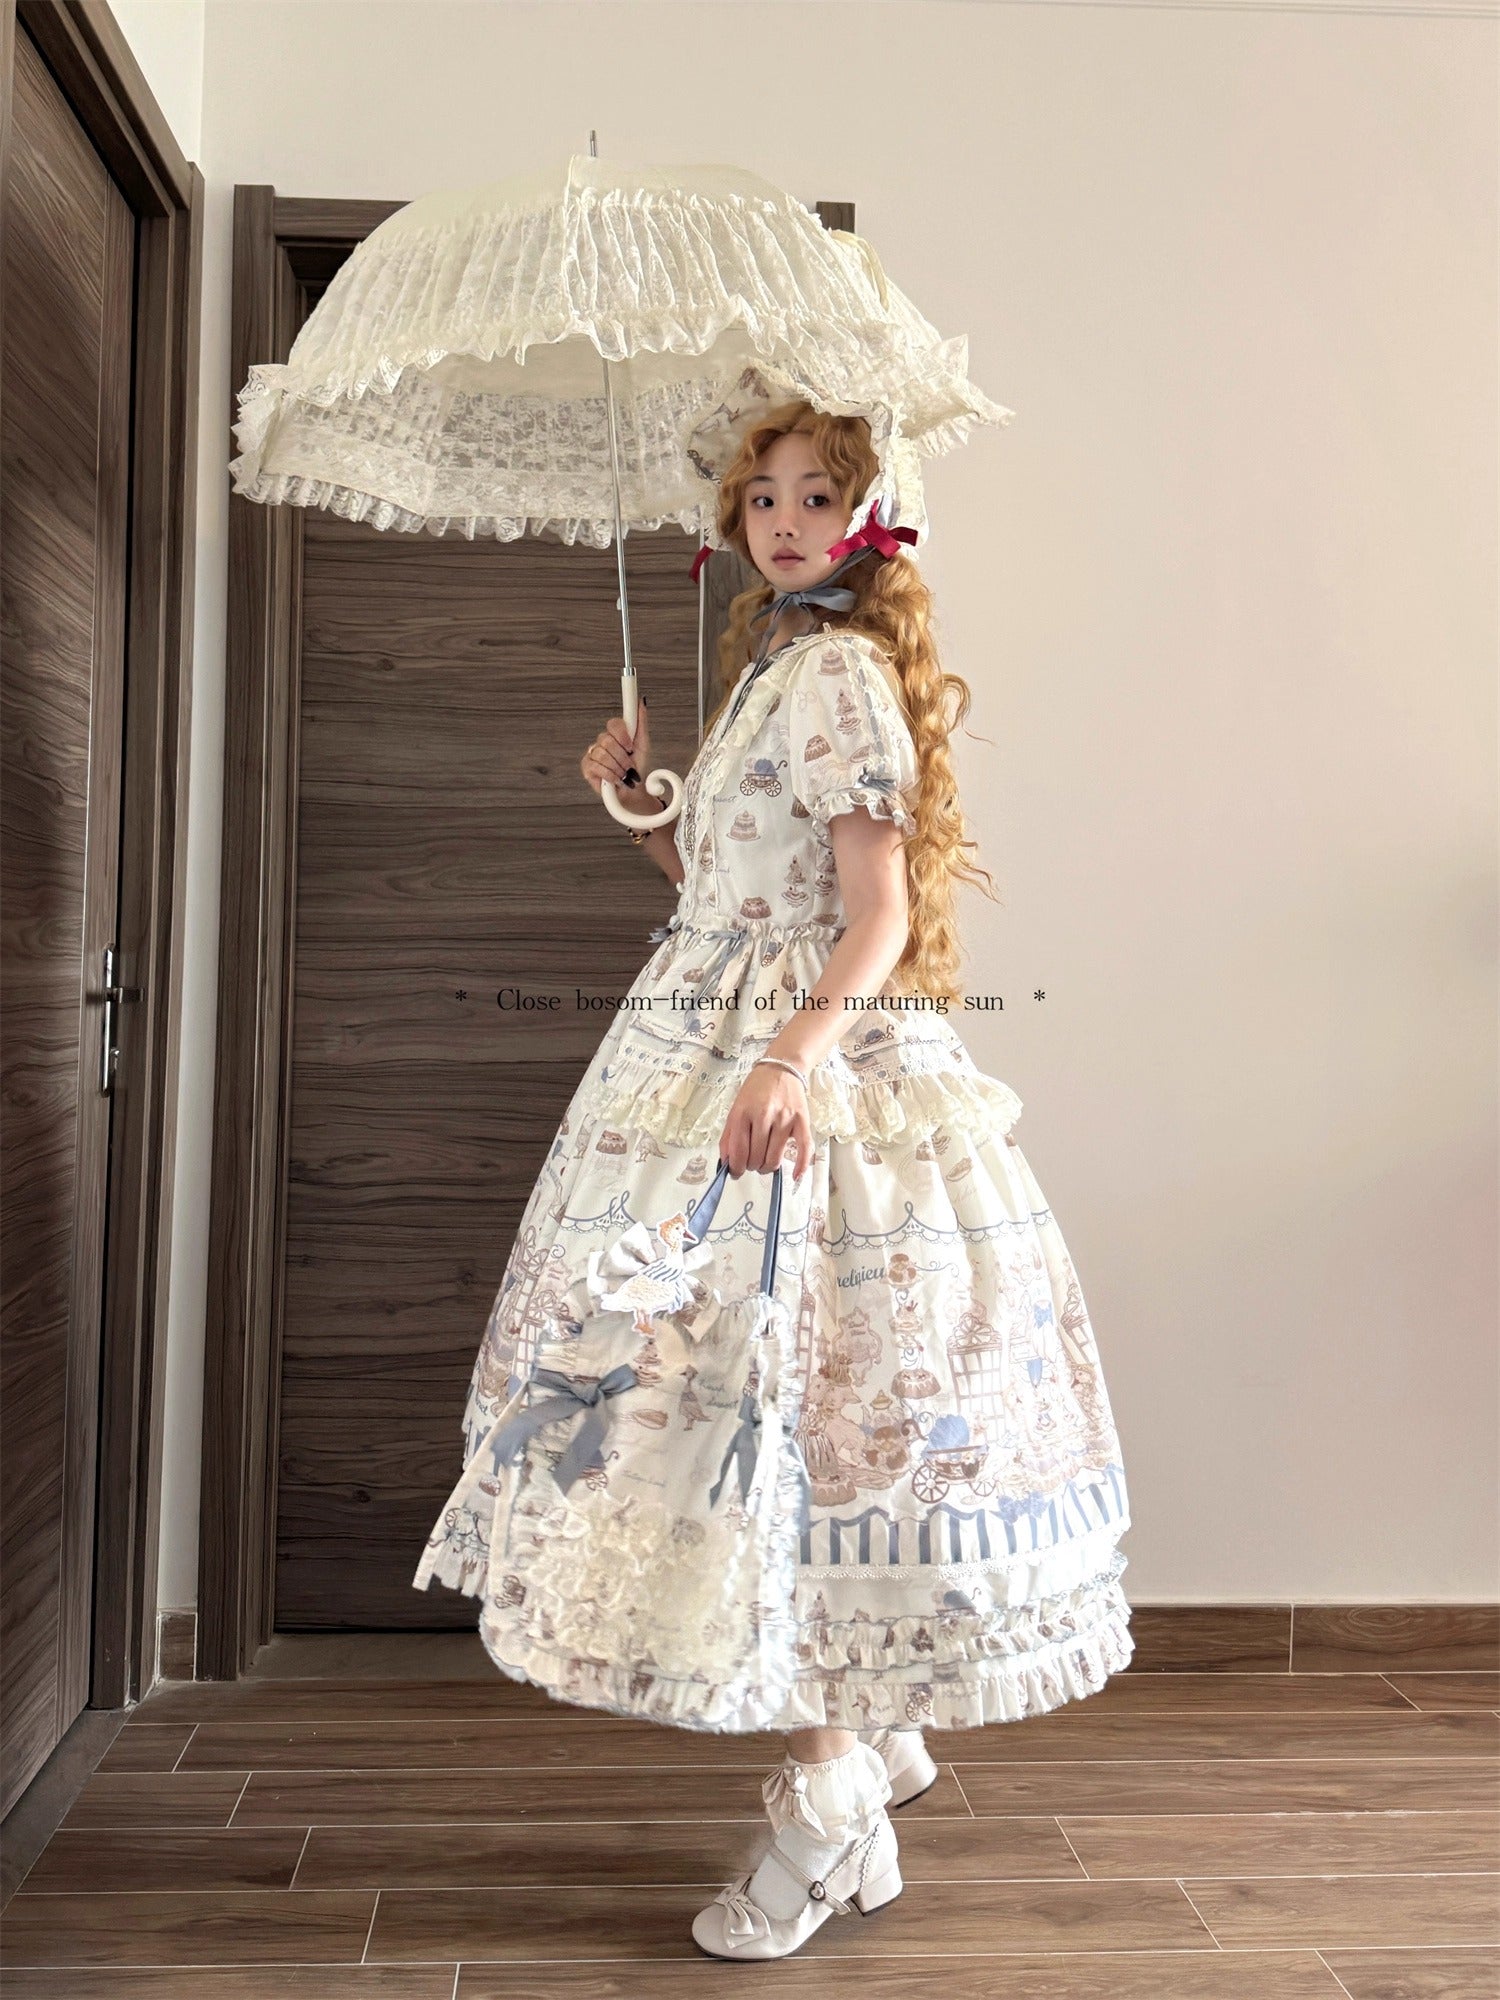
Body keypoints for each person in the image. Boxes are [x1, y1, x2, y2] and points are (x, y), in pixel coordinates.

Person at [413, 399, 1132, 1961]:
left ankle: (830, 1802)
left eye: (818, 497)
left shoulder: (844, 672)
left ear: (871, 519)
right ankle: (860, 1761)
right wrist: (643, 813)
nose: (785, 520)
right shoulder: (771, 673)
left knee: (773, 1414)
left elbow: (874, 922)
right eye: (763, 498)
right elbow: (737, 903)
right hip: (704, 1049)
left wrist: (792, 1063)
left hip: (796, 1077)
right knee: (729, 1411)